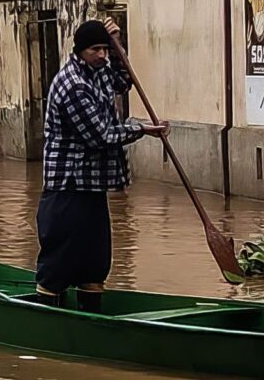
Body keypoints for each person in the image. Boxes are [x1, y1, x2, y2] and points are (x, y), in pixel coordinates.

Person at [36, 18, 169, 312]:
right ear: (81, 50)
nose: (102, 55)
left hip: (93, 184)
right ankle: (46, 316)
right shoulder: (73, 85)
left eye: (104, 50)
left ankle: (91, 318)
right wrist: (144, 130)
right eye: (96, 49)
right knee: (59, 263)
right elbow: (99, 136)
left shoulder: (100, 70)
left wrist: (119, 44)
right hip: (67, 186)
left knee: (95, 264)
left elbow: (124, 81)